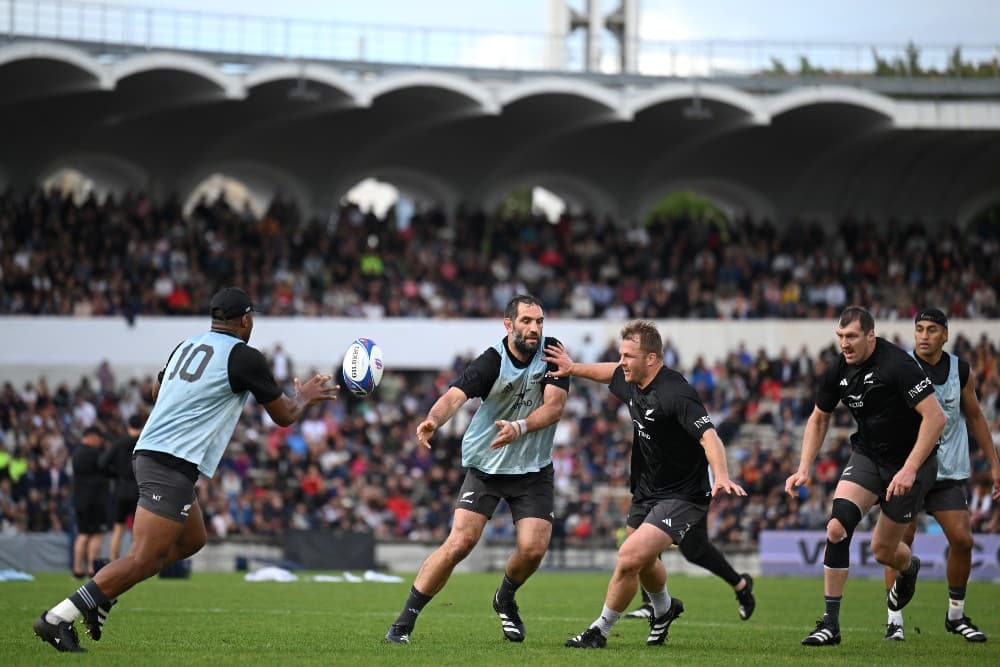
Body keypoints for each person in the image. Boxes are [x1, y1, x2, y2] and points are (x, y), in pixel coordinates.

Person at [33, 287, 339, 653]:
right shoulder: (244, 357)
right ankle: (57, 618)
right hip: (168, 460)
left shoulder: (187, 344)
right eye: (252, 318)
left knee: (192, 540)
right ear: (245, 319)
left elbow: (156, 391)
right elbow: (285, 415)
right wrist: (303, 396)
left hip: (157, 453)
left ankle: (103, 596)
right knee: (143, 557)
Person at [543, 320, 746, 649]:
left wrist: (721, 475)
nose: (621, 361)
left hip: (683, 494)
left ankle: (600, 631)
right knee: (645, 561)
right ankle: (665, 609)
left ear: (651, 358)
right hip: (647, 489)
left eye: (628, 355)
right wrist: (573, 368)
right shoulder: (631, 380)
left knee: (628, 557)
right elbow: (608, 372)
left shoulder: (675, 393)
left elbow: (709, 436)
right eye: (621, 354)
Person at [384, 294, 569, 645]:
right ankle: (403, 623)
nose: (535, 328)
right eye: (527, 321)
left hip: (532, 468)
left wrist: (520, 428)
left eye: (539, 321)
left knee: (533, 549)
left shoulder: (553, 352)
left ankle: (505, 597)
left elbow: (555, 407)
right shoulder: (491, 360)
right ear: (508, 324)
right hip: (487, 464)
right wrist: (432, 421)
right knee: (460, 543)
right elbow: (455, 395)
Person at [785, 306, 945, 647]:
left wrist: (911, 467)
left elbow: (935, 419)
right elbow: (818, 418)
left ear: (870, 336)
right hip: (870, 456)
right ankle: (830, 624)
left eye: (852, 336)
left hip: (912, 462)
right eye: (841, 336)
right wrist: (803, 468)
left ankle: (909, 566)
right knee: (836, 527)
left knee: (883, 550)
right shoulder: (837, 370)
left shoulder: (898, 365)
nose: (845, 343)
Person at [881, 308, 1000, 642]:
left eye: (932, 329)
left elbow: (975, 417)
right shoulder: (901, 366)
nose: (924, 335)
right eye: (919, 329)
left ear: (945, 335)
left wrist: (995, 465)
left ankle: (956, 616)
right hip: (908, 470)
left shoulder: (960, 369)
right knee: (899, 545)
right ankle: (894, 619)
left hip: (947, 470)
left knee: (963, 540)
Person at [101, 414, 144, 561]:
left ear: (128, 426)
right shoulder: (144, 443)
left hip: (121, 488)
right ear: (142, 426)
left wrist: (115, 475)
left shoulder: (119, 443)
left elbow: (102, 463)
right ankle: (136, 563)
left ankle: (113, 562)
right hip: (140, 489)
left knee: (118, 529)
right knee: (138, 530)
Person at [71, 426, 110, 578]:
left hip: (80, 500)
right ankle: (91, 568)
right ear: (92, 437)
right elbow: (106, 469)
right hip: (95, 501)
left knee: (82, 534)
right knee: (97, 534)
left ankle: (77, 569)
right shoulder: (95, 454)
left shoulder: (76, 453)